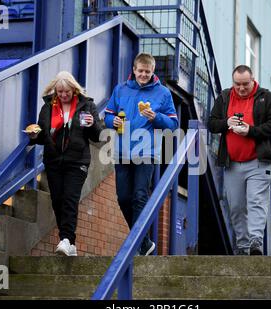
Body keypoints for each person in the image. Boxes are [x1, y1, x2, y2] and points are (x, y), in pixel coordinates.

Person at [104, 53, 179, 255]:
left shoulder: (163, 93)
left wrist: (156, 117)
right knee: (123, 198)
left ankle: (137, 241)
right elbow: (108, 115)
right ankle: (144, 242)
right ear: (134, 70)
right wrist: (113, 122)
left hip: (147, 152)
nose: (144, 74)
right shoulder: (120, 89)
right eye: (141, 71)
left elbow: (173, 123)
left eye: (148, 71)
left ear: (153, 71)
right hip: (122, 151)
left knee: (139, 196)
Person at [208, 65, 271, 256]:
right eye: (237, 84)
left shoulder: (267, 97)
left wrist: (250, 130)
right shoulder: (224, 97)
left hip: (258, 162)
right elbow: (212, 123)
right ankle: (242, 247)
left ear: (253, 80)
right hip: (232, 163)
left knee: (256, 202)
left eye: (245, 84)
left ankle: (255, 243)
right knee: (236, 207)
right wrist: (227, 123)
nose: (241, 88)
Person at [26, 71, 102, 256]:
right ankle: (70, 244)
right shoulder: (48, 108)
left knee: (69, 199)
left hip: (77, 161)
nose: (63, 95)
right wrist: (34, 136)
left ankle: (65, 239)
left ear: (74, 89)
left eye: (66, 91)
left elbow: (98, 136)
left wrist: (92, 124)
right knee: (57, 201)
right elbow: (43, 135)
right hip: (53, 161)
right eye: (59, 92)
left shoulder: (87, 106)